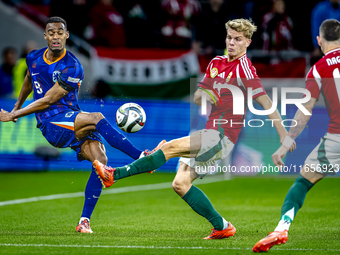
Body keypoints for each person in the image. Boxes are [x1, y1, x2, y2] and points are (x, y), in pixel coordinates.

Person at [93, 18, 295, 239]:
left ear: (248, 42)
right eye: (229, 38)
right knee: (180, 184)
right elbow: (199, 97)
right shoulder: (216, 63)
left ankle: (114, 174)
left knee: (169, 148)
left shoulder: (245, 69)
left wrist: (284, 137)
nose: (232, 43)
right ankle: (222, 226)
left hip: (221, 136)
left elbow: (267, 104)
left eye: (238, 40)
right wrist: (206, 95)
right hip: (209, 131)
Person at [0, 17, 164, 234]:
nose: (56, 36)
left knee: (101, 162)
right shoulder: (33, 57)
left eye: (60, 32)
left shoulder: (73, 66)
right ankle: (142, 158)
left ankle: (84, 221)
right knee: (96, 117)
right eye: (52, 32)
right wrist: (16, 108)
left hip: (69, 118)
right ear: (45, 36)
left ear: (67, 36)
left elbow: (49, 98)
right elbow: (30, 80)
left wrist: (14, 114)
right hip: (51, 123)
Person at [253, 19, 340, 252]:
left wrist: (286, 143)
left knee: (303, 182)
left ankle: (281, 228)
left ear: (319, 40)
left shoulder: (318, 69)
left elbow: (305, 111)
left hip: (337, 138)